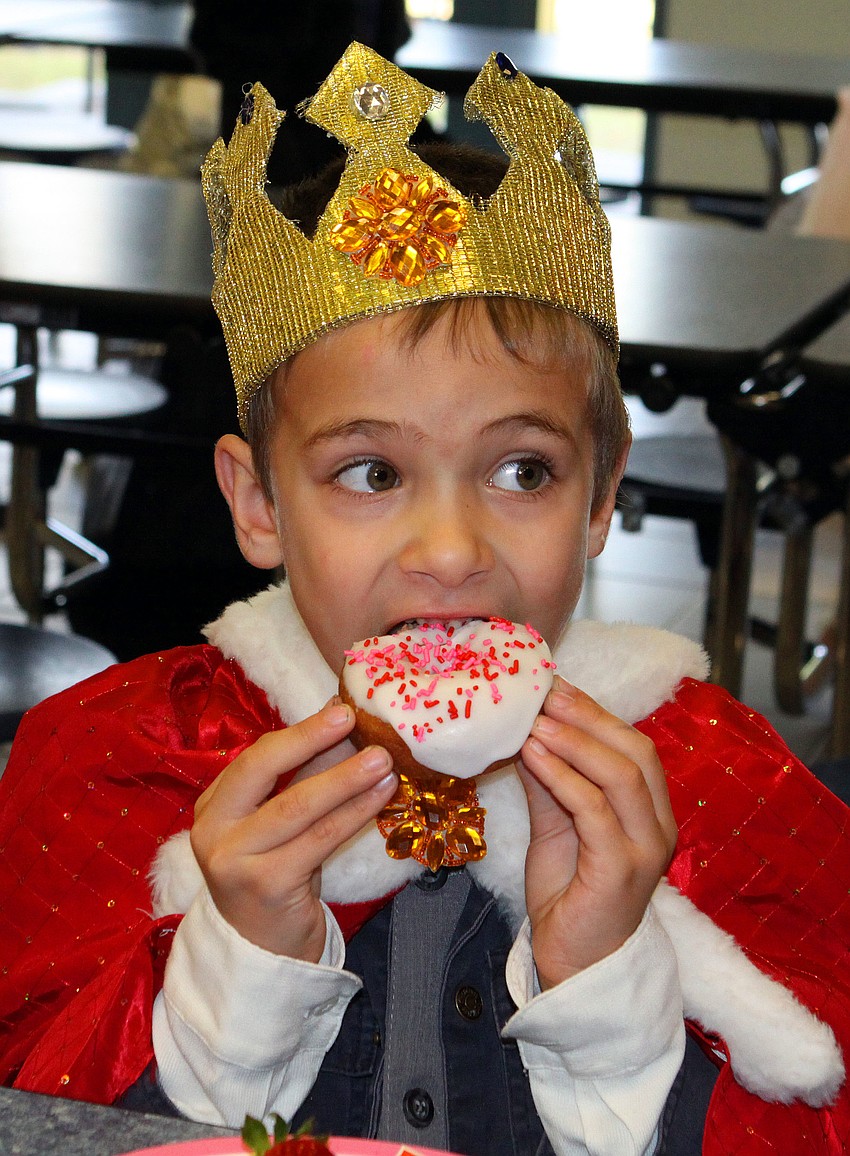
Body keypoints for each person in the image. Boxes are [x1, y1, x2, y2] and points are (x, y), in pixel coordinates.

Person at [1, 44, 849, 1156]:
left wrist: (603, 972)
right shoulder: (118, 759)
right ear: (257, 503)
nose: (450, 552)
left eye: (523, 472)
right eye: (371, 473)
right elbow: (46, 1114)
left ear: (601, 496)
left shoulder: (723, 783)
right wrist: (243, 952)